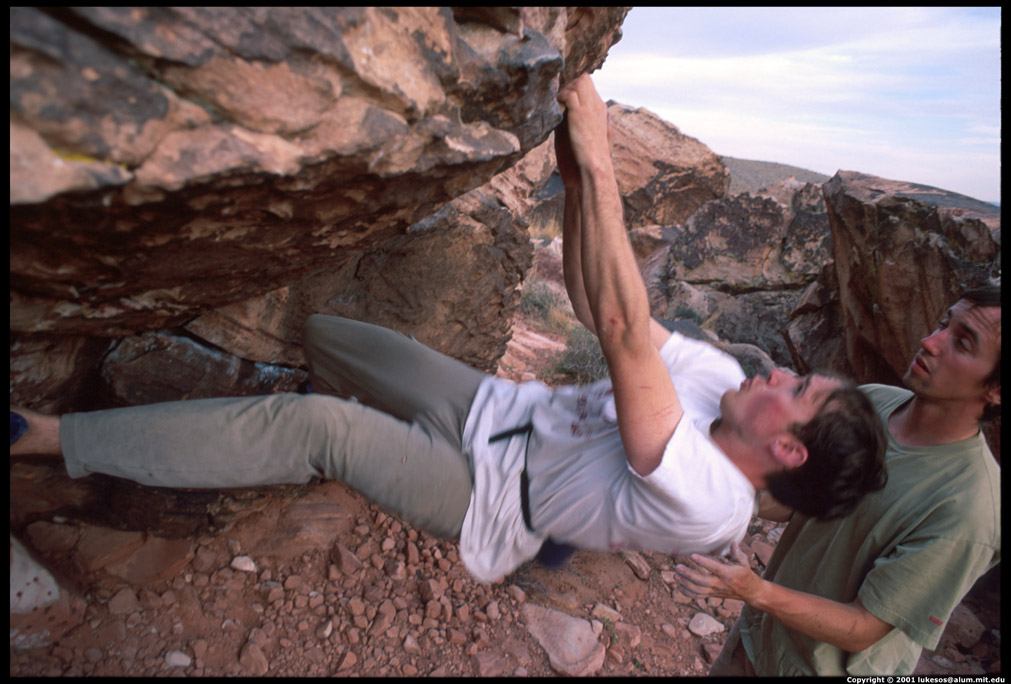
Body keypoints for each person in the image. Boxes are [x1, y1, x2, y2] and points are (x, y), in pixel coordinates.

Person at [9, 75, 886, 584]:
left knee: (320, 429)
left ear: (790, 453)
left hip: (488, 499)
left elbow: (620, 327)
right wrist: (577, 178)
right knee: (328, 333)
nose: (774, 374)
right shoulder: (712, 382)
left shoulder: (710, 500)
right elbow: (592, 302)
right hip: (492, 410)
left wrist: (600, 161)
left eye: (795, 389)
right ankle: (280, 436)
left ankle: (51, 436)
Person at [676, 287, 1001, 676]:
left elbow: (864, 628)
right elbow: (798, 502)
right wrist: (720, 487)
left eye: (962, 343)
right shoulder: (874, 402)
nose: (929, 342)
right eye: (944, 324)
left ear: (996, 390)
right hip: (758, 641)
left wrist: (755, 591)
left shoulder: (969, 509)